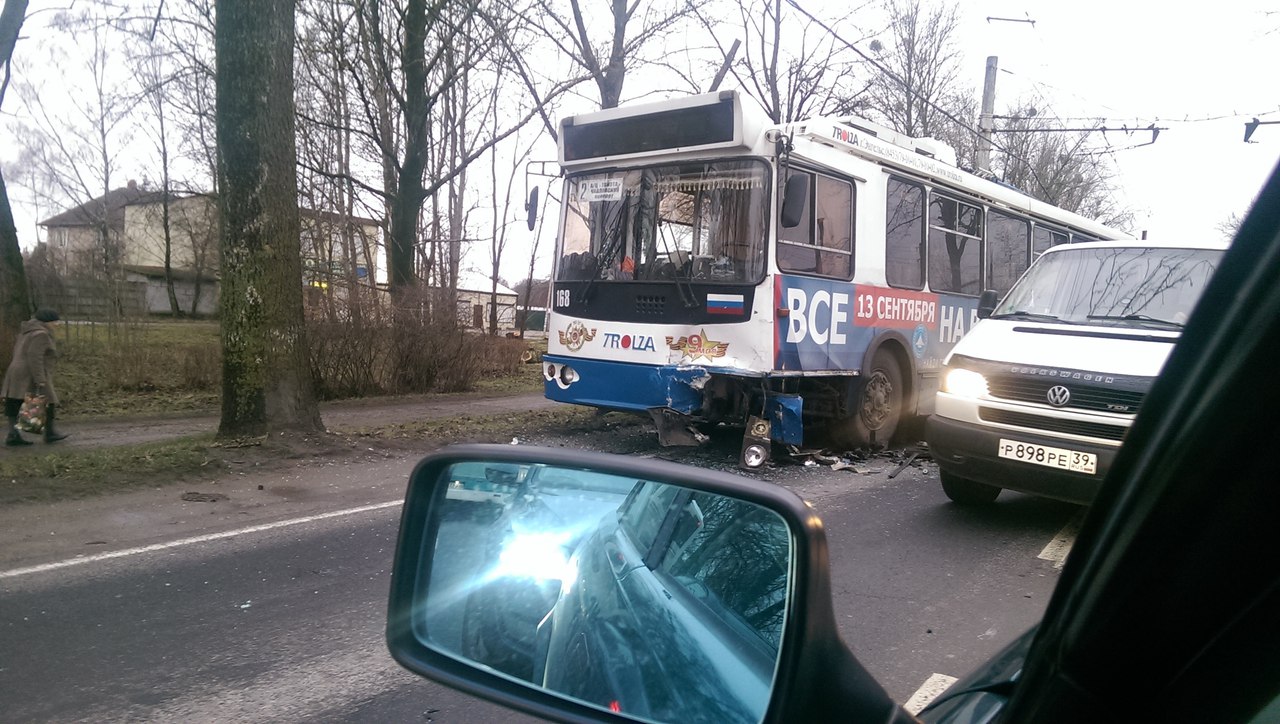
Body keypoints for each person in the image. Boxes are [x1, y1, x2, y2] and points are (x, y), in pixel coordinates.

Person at [2, 308, 69, 446]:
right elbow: (35, 357)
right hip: (30, 372)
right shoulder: (41, 334)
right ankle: (49, 433)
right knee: (48, 401)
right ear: (47, 322)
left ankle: (13, 435)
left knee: (15, 402)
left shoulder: (26, 332)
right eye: (55, 321)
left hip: (16, 370)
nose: (57, 324)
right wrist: (40, 379)